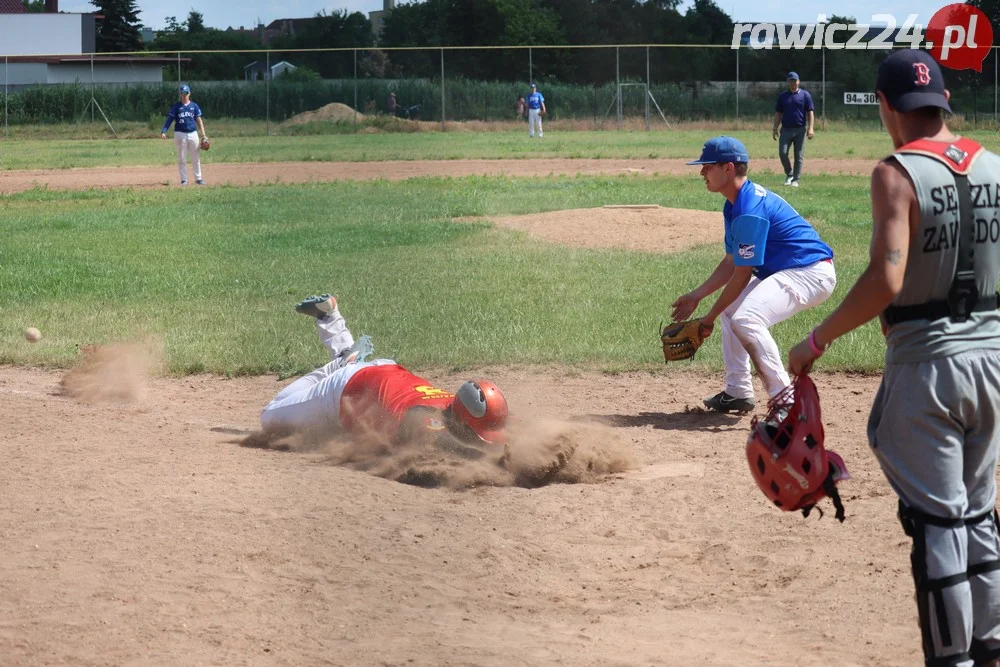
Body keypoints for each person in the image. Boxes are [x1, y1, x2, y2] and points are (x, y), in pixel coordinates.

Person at [788, 50, 1000, 667]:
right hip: (990, 361)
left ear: (886, 106)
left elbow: (887, 276)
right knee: (979, 516)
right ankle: (988, 650)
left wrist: (816, 339)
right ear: (943, 103)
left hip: (929, 369)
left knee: (938, 525)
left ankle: (951, 659)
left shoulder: (894, 172)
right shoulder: (992, 165)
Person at [671, 135, 836, 414]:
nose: (701, 172)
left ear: (729, 168)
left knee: (747, 319)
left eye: (707, 166)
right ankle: (738, 392)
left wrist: (706, 321)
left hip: (809, 272)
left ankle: (786, 402)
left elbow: (742, 274)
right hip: (788, 270)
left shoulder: (749, 209)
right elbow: (732, 263)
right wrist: (696, 296)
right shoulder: (734, 204)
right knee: (733, 311)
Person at [260, 294, 510, 457]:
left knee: (350, 366)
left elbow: (506, 426)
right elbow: (446, 443)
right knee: (269, 417)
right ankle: (340, 356)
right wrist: (491, 461)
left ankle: (339, 339)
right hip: (343, 388)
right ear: (461, 418)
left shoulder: (457, 404)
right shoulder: (423, 417)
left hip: (385, 371)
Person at [160, 83, 207, 186]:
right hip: (180, 134)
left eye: (186, 93)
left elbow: (199, 121)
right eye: (182, 93)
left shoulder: (194, 106)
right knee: (182, 158)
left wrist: (203, 135)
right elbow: (169, 120)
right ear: (180, 94)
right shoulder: (176, 107)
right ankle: (184, 179)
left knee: (196, 157)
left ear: (189, 93)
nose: (184, 95)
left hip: (193, 134)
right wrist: (164, 131)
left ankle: (198, 178)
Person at [773, 72, 815, 187]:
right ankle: (789, 174)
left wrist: (810, 128)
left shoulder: (805, 95)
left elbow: (810, 112)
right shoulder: (782, 96)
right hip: (786, 129)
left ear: (798, 81)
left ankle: (795, 180)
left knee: (799, 155)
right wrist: (775, 127)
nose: (793, 83)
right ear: (788, 82)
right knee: (783, 152)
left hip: (800, 129)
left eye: (795, 81)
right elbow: (778, 113)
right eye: (790, 81)